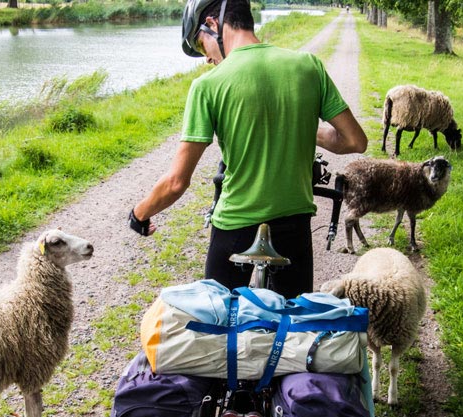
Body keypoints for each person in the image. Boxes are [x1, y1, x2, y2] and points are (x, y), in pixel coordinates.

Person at [128, 0, 367, 298]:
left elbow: (176, 182)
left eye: (202, 46)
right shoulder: (309, 66)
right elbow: (355, 141)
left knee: (217, 320)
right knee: (292, 326)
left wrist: (139, 214)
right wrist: (299, 124)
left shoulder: (208, 86)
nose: (206, 59)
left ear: (213, 25)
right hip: (294, 223)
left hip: (235, 227)